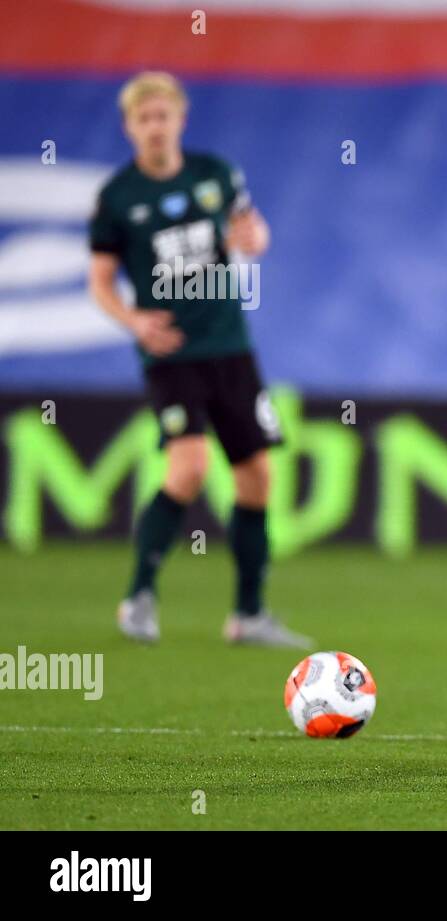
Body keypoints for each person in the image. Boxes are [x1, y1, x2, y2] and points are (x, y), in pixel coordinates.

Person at [88, 71, 309, 648]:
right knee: (188, 468)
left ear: (180, 120)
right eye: (145, 119)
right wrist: (134, 320)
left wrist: (254, 237)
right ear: (130, 127)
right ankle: (137, 596)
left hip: (230, 348)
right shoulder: (118, 198)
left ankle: (249, 615)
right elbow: (100, 281)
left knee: (257, 476)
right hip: (171, 354)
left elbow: (250, 229)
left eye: (164, 116)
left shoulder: (214, 174)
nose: (156, 127)